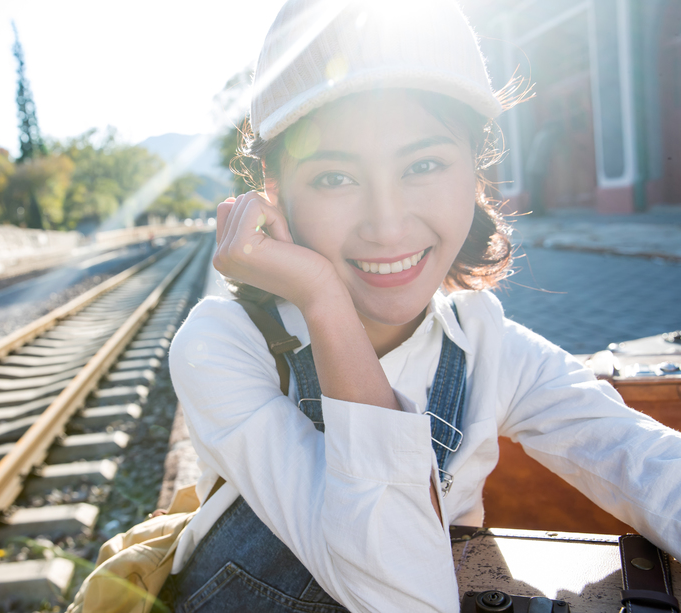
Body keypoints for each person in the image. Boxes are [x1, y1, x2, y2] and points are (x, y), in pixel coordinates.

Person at [161, 0, 681, 611]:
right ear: (275, 193)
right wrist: (324, 302)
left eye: (424, 165)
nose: (387, 227)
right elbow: (404, 592)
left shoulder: (485, 345)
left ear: (477, 174)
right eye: (335, 178)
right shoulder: (224, 346)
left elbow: (640, 460)